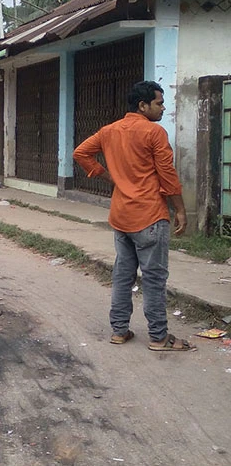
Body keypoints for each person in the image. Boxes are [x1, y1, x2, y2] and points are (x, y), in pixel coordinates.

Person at [73, 80, 193, 352]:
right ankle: (159, 337)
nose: (163, 108)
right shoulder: (154, 132)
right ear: (143, 105)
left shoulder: (109, 131)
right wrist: (180, 210)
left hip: (121, 216)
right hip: (149, 215)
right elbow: (167, 175)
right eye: (159, 103)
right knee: (154, 278)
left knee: (122, 275)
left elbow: (80, 153)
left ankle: (119, 331)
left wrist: (108, 177)